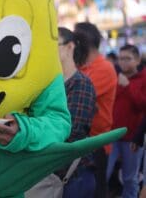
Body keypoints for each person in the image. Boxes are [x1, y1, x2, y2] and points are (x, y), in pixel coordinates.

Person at [74, 22, 118, 198]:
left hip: (96, 143)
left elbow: (76, 94)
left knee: (95, 190)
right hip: (80, 141)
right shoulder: (80, 67)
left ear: (80, 44)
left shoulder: (104, 68)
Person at [58, 27, 97, 197]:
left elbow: (72, 130)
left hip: (73, 174)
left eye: (54, 44)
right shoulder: (52, 83)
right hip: (52, 171)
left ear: (69, 47)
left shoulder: (81, 83)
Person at [106, 44, 146, 198]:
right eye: (120, 58)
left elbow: (142, 105)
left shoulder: (143, 78)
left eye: (127, 58)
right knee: (104, 173)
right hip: (112, 135)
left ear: (137, 60)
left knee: (130, 178)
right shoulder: (114, 75)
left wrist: (128, 86)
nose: (122, 62)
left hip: (133, 139)